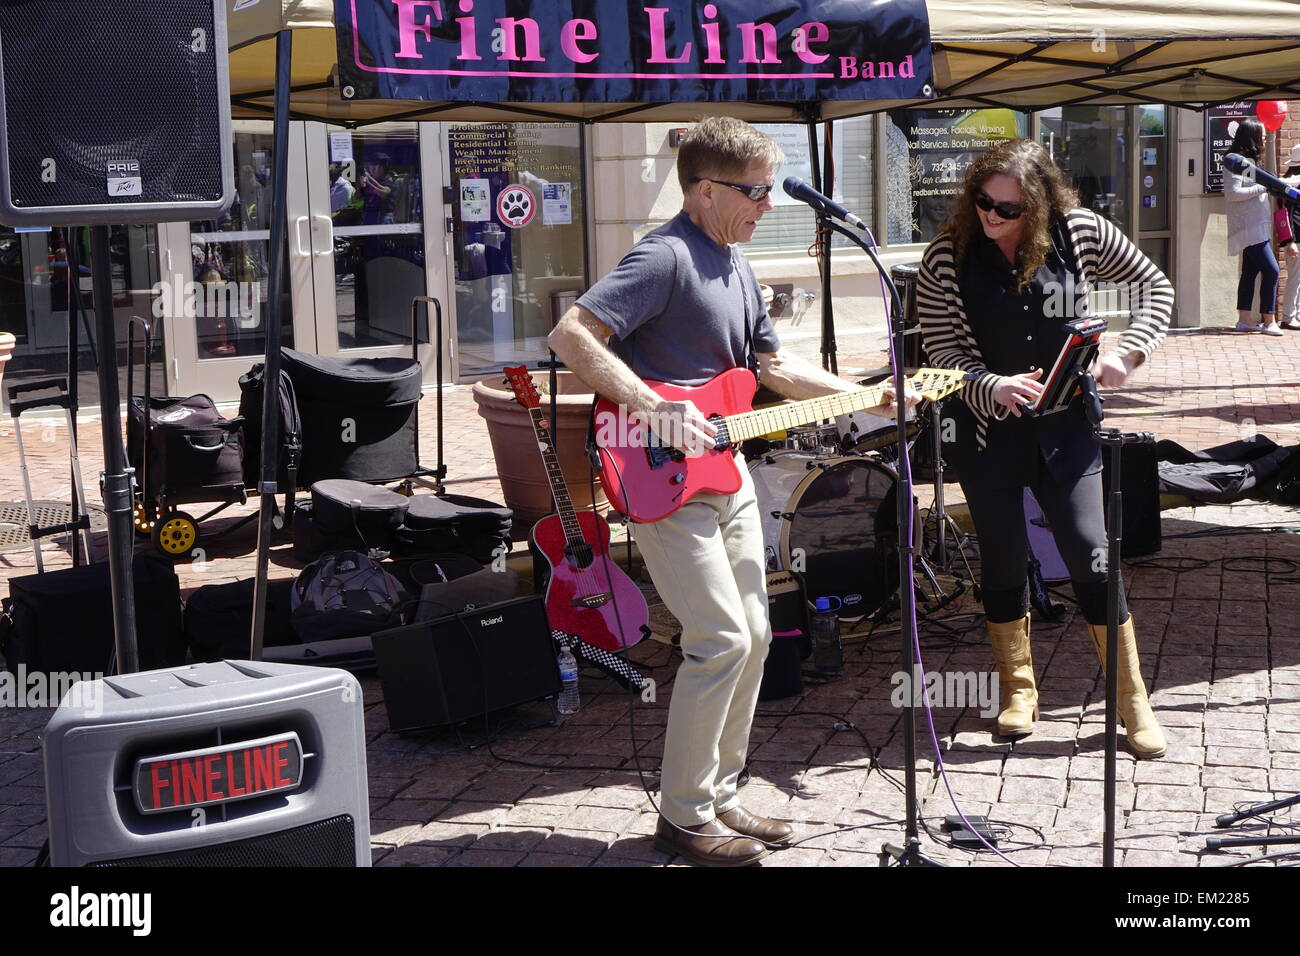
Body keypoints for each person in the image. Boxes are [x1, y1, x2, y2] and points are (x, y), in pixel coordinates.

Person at [548, 117, 910, 866]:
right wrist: (652, 406)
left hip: (727, 471)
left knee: (752, 640)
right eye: (755, 190)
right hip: (661, 478)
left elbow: (772, 370)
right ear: (706, 191)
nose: (768, 204)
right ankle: (682, 818)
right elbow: (572, 335)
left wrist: (865, 397)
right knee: (720, 641)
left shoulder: (735, 264)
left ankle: (717, 797)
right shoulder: (665, 256)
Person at [917, 138, 1174, 758]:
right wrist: (992, 384)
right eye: (984, 201)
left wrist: (1129, 353)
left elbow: (1155, 286)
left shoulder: (1080, 232)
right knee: (1002, 561)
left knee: (1092, 551)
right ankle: (1018, 689)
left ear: (1038, 204)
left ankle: (1131, 699)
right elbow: (941, 352)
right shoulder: (946, 258)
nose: (992, 216)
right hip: (988, 434)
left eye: (1008, 208)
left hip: (1066, 430)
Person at [1225, 119, 1283, 335]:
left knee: (1249, 273)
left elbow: (1252, 187)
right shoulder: (1235, 162)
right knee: (1272, 270)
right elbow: (1233, 194)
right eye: (1262, 135)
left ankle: (1245, 320)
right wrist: (1264, 188)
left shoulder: (1247, 161)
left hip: (1256, 225)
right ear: (1252, 136)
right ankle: (1269, 321)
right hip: (1249, 227)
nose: (1265, 138)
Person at [1276, 143, 1300, 330]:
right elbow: (1287, 214)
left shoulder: (1288, 182)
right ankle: (1289, 316)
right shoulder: (1290, 186)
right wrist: (1290, 242)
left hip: (1295, 238)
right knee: (1295, 278)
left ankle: (1295, 314)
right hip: (1296, 238)